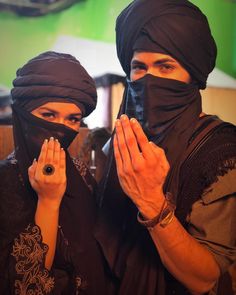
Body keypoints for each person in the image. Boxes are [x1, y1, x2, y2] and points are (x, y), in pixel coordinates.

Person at [94, 1, 236, 294]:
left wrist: (151, 202)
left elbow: (204, 278)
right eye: (139, 67)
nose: (149, 80)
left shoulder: (221, 152)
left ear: (193, 76)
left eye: (165, 66)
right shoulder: (122, 140)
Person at [0, 51, 110, 294]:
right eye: (48, 115)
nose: (60, 129)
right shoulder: (6, 182)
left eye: (72, 119)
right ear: (23, 116)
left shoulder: (80, 174)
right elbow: (27, 285)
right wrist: (49, 202)